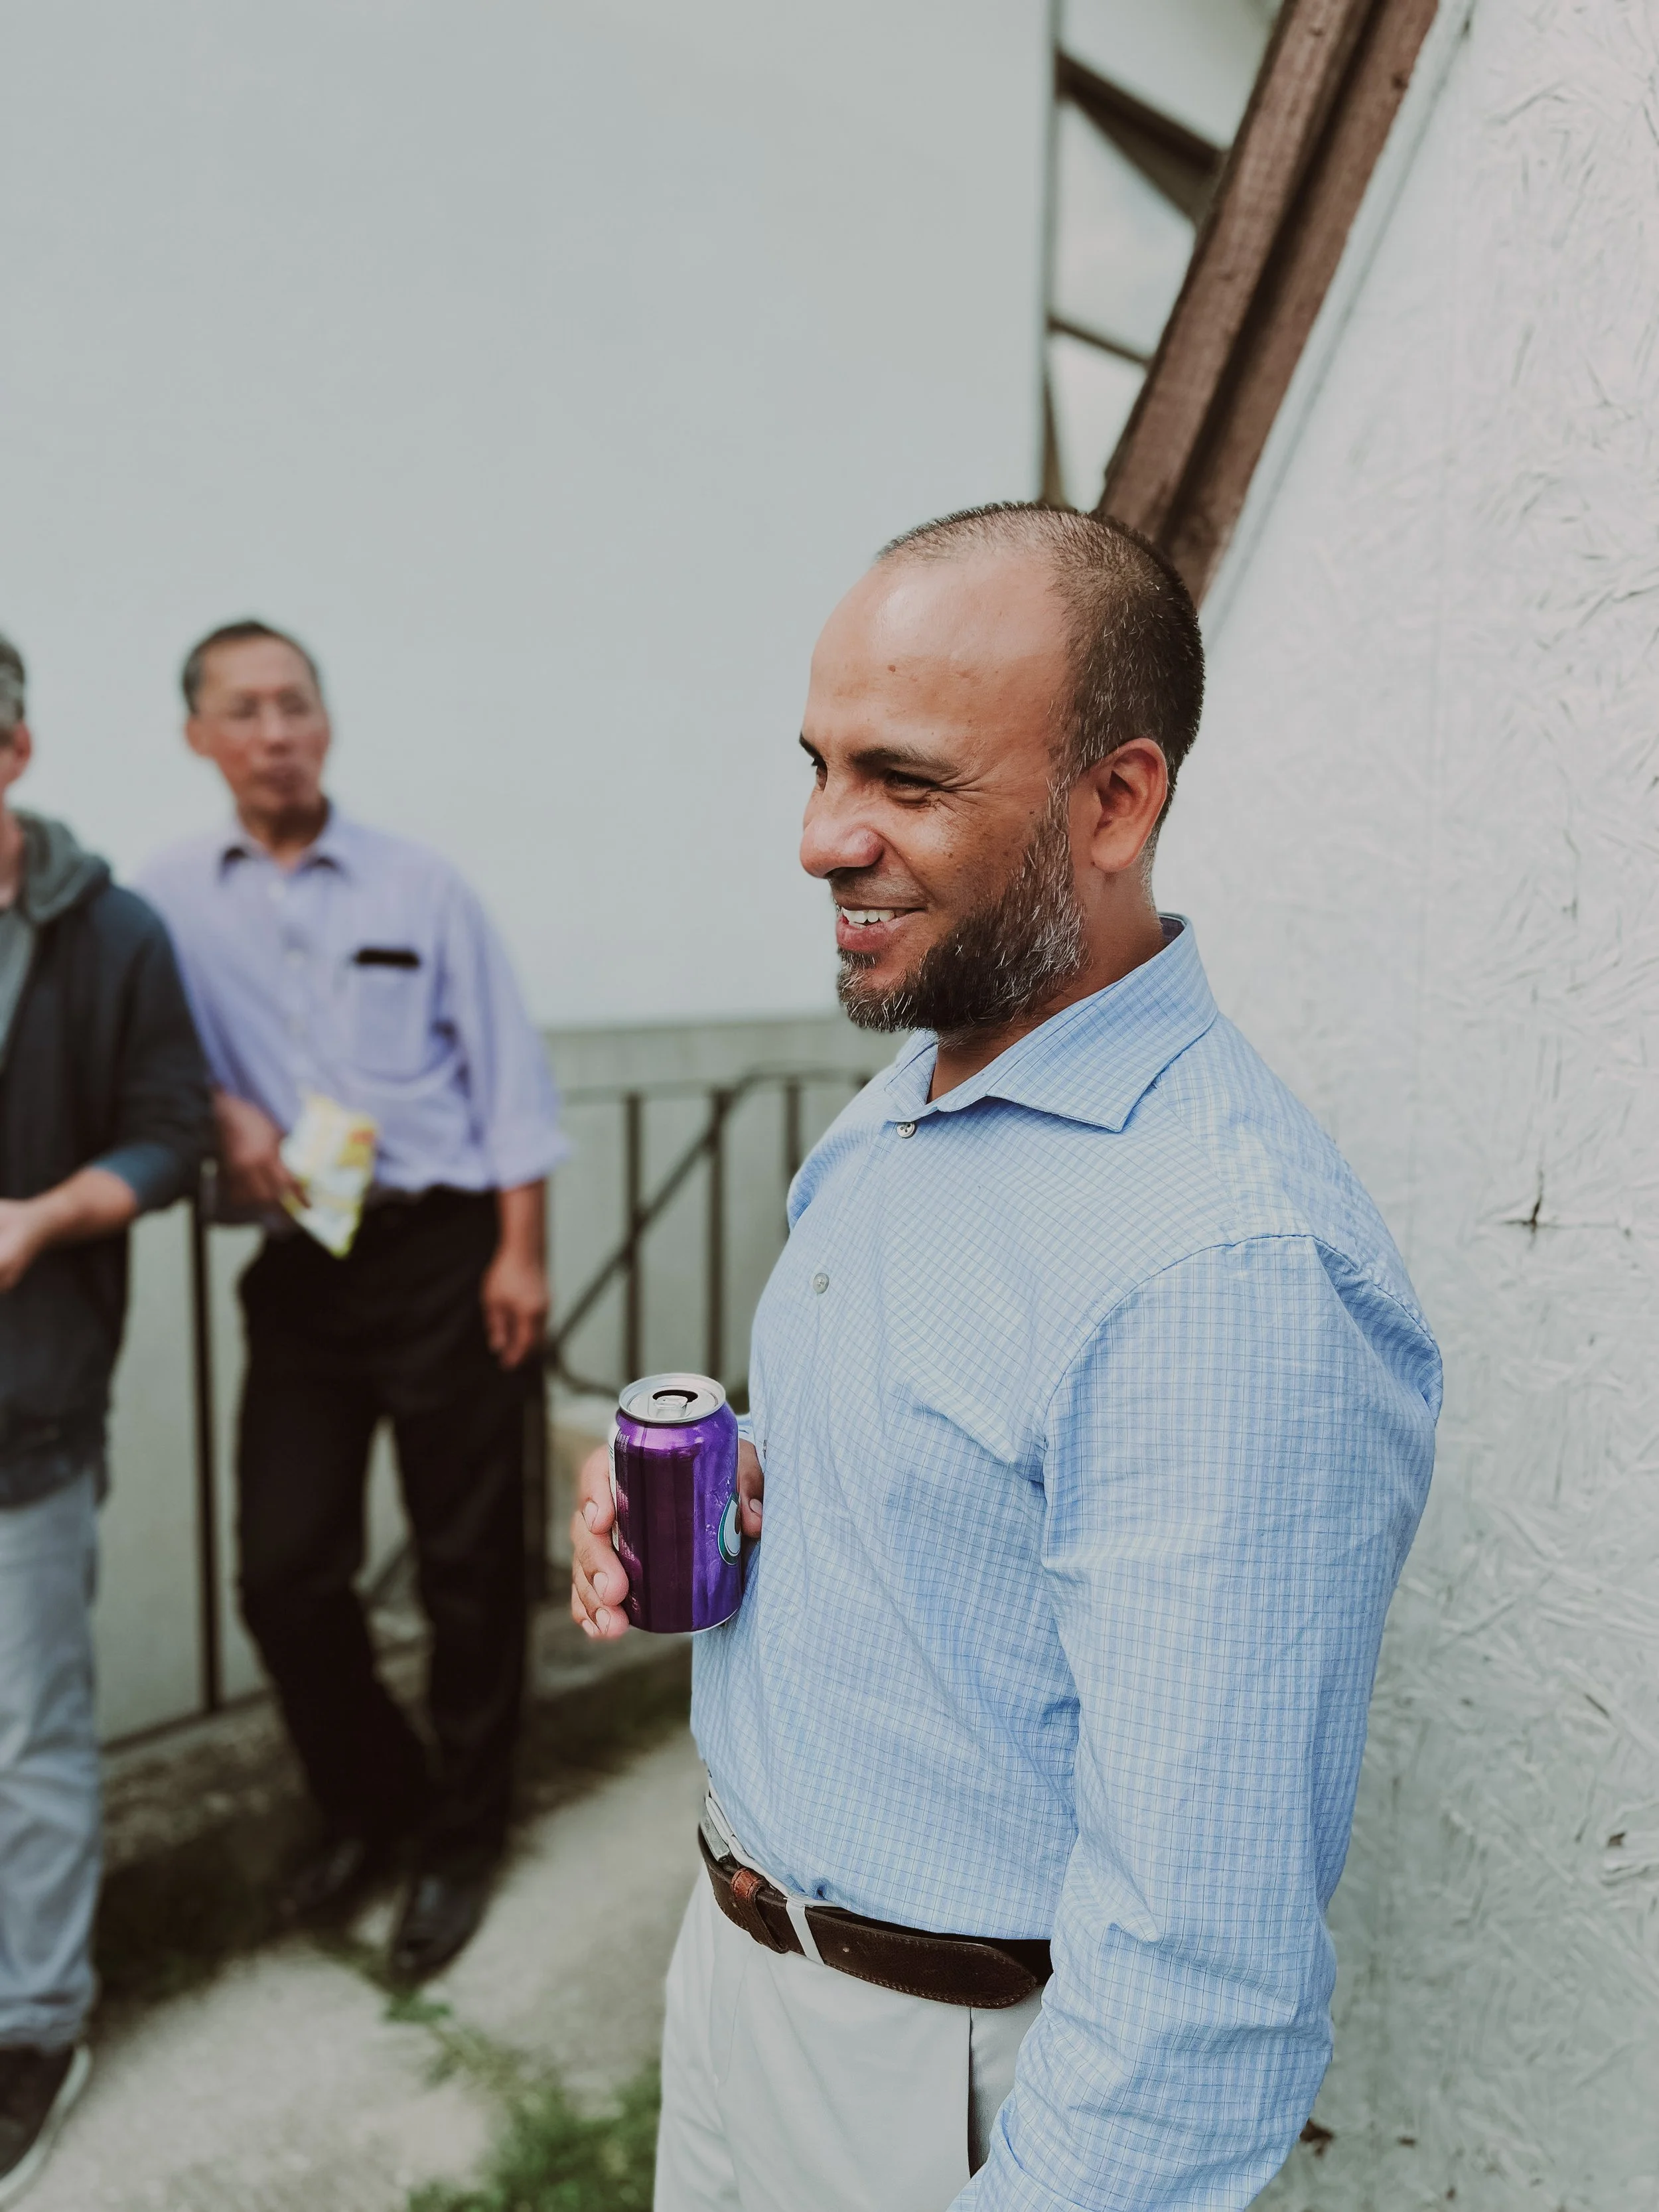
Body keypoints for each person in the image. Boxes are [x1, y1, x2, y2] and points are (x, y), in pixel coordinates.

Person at [571, 505, 1442, 2211]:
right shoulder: (923, 1078)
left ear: (1114, 802)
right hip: (736, 1970)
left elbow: (1201, 1962)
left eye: (904, 780)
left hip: (948, 2086)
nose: (824, 837)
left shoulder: (1224, 1270)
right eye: (817, 765)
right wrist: (734, 1500)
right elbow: (955, 1483)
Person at [139, 620, 565, 1986]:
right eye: (244, 709)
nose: (275, 729)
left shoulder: (420, 885)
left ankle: (461, 1837)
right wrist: (217, 1108)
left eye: (296, 703)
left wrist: (520, 1253)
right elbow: (148, 1060)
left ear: (326, 723)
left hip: (445, 1251)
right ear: (199, 736)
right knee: (282, 1572)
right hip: (301, 1264)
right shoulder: (160, 905)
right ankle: (375, 1796)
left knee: (469, 1560)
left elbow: (507, 1078)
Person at [0, 632, 208, 2203]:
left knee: (32, 1741)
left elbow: (169, 1137)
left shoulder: (112, 929)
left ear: (14, 755)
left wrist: (38, 1217)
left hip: (28, 1409)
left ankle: (35, 2027)